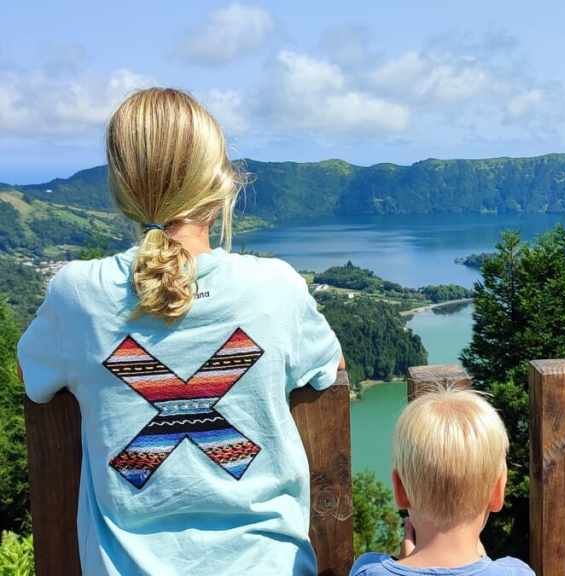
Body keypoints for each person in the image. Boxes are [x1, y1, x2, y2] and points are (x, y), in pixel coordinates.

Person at [17, 88, 344, 575]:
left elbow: (35, 376)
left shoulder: (78, 295)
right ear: (220, 186)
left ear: (122, 190)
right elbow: (327, 368)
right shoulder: (275, 288)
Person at [350, 385, 533, 576]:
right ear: (497, 493)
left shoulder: (367, 571)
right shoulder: (517, 572)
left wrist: (406, 561)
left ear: (400, 491)